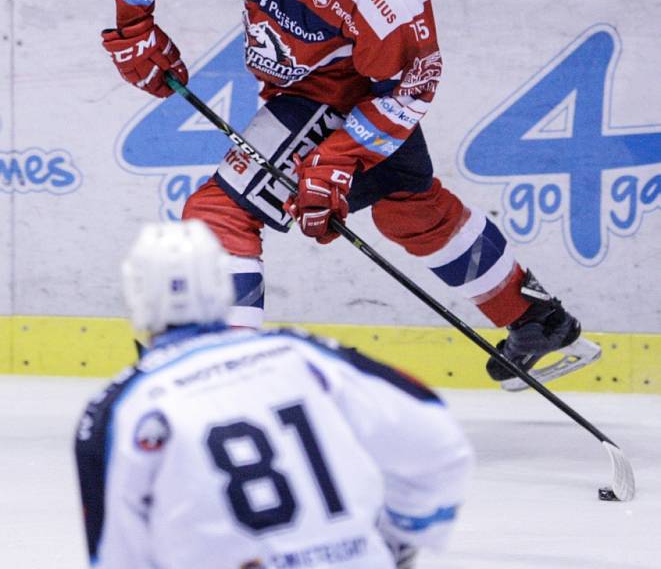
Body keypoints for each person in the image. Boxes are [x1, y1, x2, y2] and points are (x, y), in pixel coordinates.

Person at [100, 0, 598, 385]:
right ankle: (535, 319)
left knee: (221, 213)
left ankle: (225, 373)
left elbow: (414, 82)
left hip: (342, 94)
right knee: (409, 206)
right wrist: (134, 27)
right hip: (302, 84)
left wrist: (338, 158)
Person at [74, 219, 474, 569]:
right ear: (222, 283)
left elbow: (118, 554)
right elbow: (436, 438)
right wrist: (400, 537)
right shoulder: (300, 354)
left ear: (135, 294)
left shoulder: (119, 407)